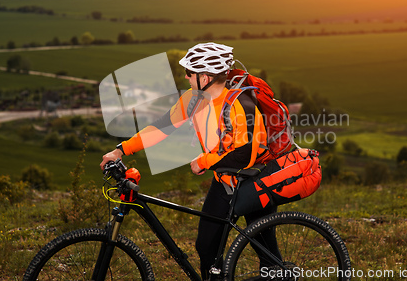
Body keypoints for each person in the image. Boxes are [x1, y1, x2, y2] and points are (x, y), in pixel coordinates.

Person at [100, 42, 279, 280]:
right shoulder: (193, 100)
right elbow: (161, 128)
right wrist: (121, 150)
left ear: (204, 77)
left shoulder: (240, 104)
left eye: (190, 73)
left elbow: (246, 152)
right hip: (224, 182)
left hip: (254, 182)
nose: (186, 77)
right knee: (206, 247)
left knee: (265, 250)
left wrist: (204, 162)